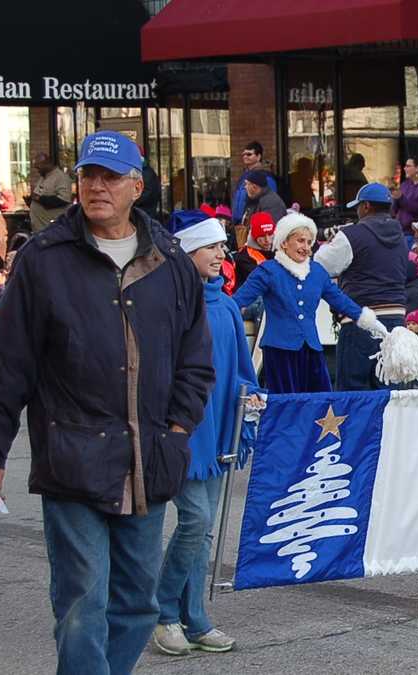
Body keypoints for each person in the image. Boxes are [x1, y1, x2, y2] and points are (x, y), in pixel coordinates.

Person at [0, 130, 215, 673]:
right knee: (84, 601)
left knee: (136, 603)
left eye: (110, 177)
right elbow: (8, 362)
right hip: (73, 458)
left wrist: (177, 432)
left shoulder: (170, 260)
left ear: (137, 186)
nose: (96, 186)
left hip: (148, 458)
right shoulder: (44, 259)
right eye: (88, 175)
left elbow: (195, 359)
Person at [154, 216, 262, 656]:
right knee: (196, 520)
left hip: (221, 427)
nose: (221, 254)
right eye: (211, 247)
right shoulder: (168, 303)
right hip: (184, 428)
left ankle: (193, 618)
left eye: (222, 247)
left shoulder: (228, 305)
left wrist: (251, 398)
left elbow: (241, 365)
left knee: (205, 531)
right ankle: (161, 612)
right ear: (187, 252)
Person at [232, 212, 385, 393]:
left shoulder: (317, 272)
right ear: (284, 243)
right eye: (300, 240)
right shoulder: (268, 270)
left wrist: (371, 322)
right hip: (279, 351)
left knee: (321, 406)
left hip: (312, 350)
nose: (306, 247)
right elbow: (239, 301)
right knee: (286, 407)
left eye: (309, 242)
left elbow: (340, 300)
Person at [313, 183, 409, 390]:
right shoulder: (401, 236)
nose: (356, 212)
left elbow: (320, 265)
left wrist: (332, 239)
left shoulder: (352, 235)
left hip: (360, 320)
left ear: (366, 206)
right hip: (397, 323)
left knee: (353, 393)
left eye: (357, 207)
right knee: (389, 392)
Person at [231, 141, 278, 224]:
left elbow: (269, 201)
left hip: (254, 223)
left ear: (258, 156)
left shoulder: (266, 176)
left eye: (249, 154)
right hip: (239, 223)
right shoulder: (244, 176)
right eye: (243, 154)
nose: (245, 157)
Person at [28, 152, 72, 232]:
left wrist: (40, 199)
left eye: (38, 167)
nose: (37, 170)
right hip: (40, 229)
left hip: (53, 229)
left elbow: (64, 200)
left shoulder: (61, 177)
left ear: (47, 164)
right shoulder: (43, 177)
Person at [240, 169, 287, 237]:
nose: (245, 187)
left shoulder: (270, 202)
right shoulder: (255, 199)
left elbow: (269, 230)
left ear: (254, 187)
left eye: (247, 184)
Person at [392, 157, 418, 235]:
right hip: (400, 231)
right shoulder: (405, 184)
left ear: (417, 168)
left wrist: (400, 198)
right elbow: (395, 209)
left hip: (415, 234)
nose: (404, 168)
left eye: (408, 166)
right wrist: (394, 199)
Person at [234, 211, 275, 289]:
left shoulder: (278, 251)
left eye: (270, 234)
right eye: (262, 236)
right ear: (254, 236)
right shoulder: (244, 257)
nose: (267, 240)